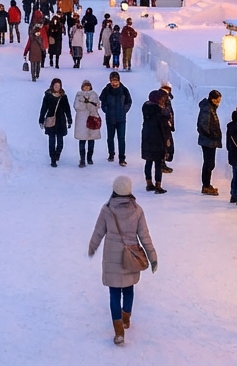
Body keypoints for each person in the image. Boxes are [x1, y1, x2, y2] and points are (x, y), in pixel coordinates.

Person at [88, 176, 158, 346]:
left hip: (112, 258)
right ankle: (126, 319)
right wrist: (152, 257)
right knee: (128, 289)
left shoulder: (107, 209)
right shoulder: (137, 210)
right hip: (130, 258)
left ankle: (119, 332)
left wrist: (92, 247)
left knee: (114, 293)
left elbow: (98, 232)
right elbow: (145, 237)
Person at [38, 78, 72, 167]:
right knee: (52, 141)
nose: (57, 87)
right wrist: (41, 119)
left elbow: (67, 109)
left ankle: (57, 154)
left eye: (58, 86)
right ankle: (53, 159)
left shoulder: (63, 96)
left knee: (60, 143)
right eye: (55, 85)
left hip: (61, 121)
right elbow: (43, 108)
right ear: (52, 86)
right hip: (51, 120)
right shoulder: (48, 96)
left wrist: (69, 119)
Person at [100, 71, 132, 166]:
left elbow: (129, 101)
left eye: (116, 81)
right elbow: (102, 101)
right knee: (110, 138)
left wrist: (124, 110)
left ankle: (122, 158)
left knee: (121, 138)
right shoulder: (106, 90)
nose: (114, 83)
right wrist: (106, 109)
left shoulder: (124, 90)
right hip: (110, 118)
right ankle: (111, 154)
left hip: (121, 118)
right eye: (112, 81)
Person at [140, 91, 169, 193]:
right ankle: (158, 185)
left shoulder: (146, 108)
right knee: (158, 163)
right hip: (158, 139)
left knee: (148, 162)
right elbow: (164, 127)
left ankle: (149, 184)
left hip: (147, 137)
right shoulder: (160, 111)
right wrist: (167, 140)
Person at [196, 90, 223, 195]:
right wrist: (213, 135)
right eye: (217, 100)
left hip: (209, 141)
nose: (218, 103)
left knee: (209, 163)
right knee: (209, 163)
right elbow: (203, 126)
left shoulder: (210, 108)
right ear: (212, 99)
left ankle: (207, 184)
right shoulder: (207, 109)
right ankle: (206, 185)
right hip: (208, 141)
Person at [74, 79, 101, 167]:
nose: (86, 87)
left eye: (88, 86)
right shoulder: (79, 95)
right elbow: (77, 106)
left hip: (92, 118)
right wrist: (85, 104)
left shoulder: (94, 95)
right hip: (81, 120)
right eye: (85, 86)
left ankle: (89, 158)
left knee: (91, 140)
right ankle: (82, 159)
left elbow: (97, 105)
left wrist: (89, 104)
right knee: (82, 140)